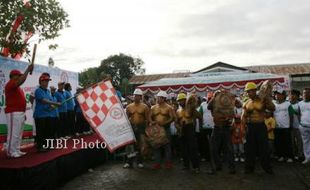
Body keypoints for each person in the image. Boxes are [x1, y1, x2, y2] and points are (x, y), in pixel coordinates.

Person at [242, 82, 274, 174]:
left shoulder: (262, 100)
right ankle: (249, 168)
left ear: (255, 91)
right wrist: (243, 128)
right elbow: (243, 116)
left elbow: (273, 108)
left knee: (264, 148)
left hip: (260, 126)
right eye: (247, 92)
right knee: (249, 149)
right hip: (250, 127)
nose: (249, 93)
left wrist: (267, 100)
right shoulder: (246, 102)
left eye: (251, 91)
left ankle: (267, 168)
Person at [5, 64, 33, 158]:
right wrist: (28, 70)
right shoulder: (11, 84)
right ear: (13, 76)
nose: (20, 77)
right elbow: (21, 80)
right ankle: (10, 152)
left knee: (18, 133)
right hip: (13, 112)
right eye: (19, 75)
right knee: (14, 133)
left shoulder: (17, 87)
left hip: (19, 112)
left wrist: (23, 113)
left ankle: (16, 149)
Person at [207, 90, 236, 174]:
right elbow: (208, 106)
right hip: (217, 127)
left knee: (229, 148)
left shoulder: (226, 103)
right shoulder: (213, 104)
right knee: (213, 148)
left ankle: (232, 167)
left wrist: (229, 118)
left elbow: (232, 112)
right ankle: (217, 166)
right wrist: (215, 97)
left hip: (226, 127)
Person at [33, 74, 61, 152]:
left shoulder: (48, 91)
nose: (47, 83)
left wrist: (53, 107)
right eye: (45, 81)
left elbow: (49, 103)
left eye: (48, 81)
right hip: (40, 115)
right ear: (41, 82)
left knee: (48, 131)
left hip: (48, 114)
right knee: (41, 132)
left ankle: (48, 145)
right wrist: (55, 104)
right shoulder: (38, 90)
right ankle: (40, 147)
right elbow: (43, 100)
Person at [124, 89, 149, 169]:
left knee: (140, 145)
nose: (136, 97)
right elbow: (126, 118)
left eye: (138, 96)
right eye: (135, 96)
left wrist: (146, 128)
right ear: (133, 96)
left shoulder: (145, 107)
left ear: (141, 97)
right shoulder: (128, 107)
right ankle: (129, 162)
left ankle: (140, 162)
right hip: (131, 127)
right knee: (130, 145)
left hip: (141, 127)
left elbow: (147, 119)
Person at [149, 90, 174, 169]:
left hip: (166, 128)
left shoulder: (169, 108)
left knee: (167, 146)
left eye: (159, 98)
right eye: (157, 97)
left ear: (163, 98)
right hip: (156, 129)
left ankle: (168, 163)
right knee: (156, 146)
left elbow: (172, 117)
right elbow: (149, 116)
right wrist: (151, 122)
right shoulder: (153, 107)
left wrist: (165, 122)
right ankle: (157, 163)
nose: (158, 99)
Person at [176, 93, 200, 173]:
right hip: (182, 130)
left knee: (192, 148)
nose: (180, 102)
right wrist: (178, 127)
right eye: (179, 101)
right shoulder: (178, 111)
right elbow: (176, 122)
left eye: (182, 100)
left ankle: (196, 167)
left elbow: (199, 116)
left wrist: (194, 111)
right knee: (184, 149)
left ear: (185, 100)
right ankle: (186, 165)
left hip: (190, 129)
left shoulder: (191, 109)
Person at [273, 89, 294, 163]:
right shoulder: (273, 104)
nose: (276, 96)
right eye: (275, 94)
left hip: (286, 127)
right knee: (278, 143)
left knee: (287, 143)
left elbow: (291, 115)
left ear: (283, 96)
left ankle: (289, 157)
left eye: (278, 94)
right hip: (277, 127)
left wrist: (291, 124)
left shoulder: (288, 104)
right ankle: (281, 156)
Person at [290, 90, 304, 161]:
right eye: (291, 94)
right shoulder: (288, 104)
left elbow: (302, 114)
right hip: (290, 126)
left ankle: (300, 155)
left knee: (299, 141)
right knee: (291, 142)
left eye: (294, 94)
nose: (292, 96)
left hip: (298, 126)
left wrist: (295, 112)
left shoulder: (300, 104)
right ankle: (293, 155)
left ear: (297, 96)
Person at [298, 88, 310, 164]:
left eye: (307, 93)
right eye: (304, 93)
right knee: (305, 143)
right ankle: (307, 158)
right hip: (303, 126)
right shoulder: (300, 103)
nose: (305, 94)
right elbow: (299, 114)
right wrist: (300, 123)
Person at [232, 98, 245, 162]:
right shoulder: (234, 108)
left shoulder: (243, 108)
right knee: (235, 148)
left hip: (240, 136)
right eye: (235, 103)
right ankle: (236, 156)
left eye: (238, 102)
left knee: (241, 148)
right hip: (234, 137)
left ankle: (241, 156)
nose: (237, 103)